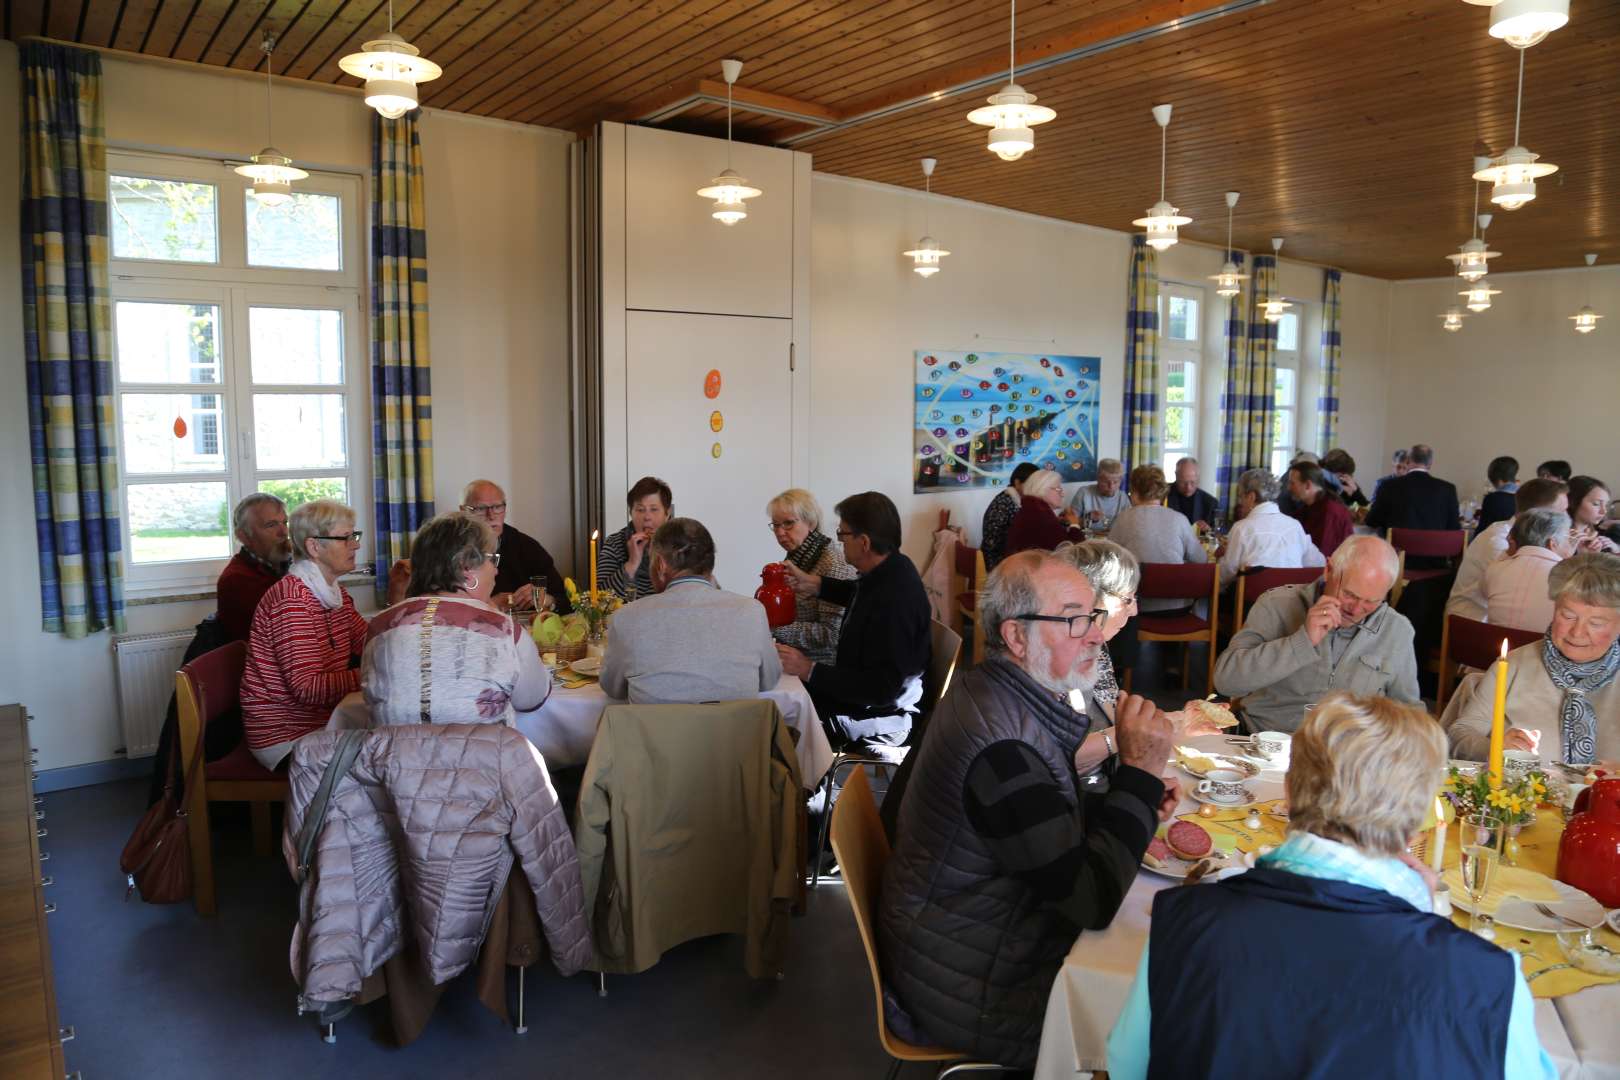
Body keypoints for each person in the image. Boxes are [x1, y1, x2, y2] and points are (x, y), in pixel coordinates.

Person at [1108, 692, 1556, 1080]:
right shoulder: (1486, 978)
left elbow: (1128, 1065)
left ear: (1286, 790)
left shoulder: (1186, 920)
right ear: (1420, 816)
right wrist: (1424, 919)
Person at [878, 550, 1177, 1069]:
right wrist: (1139, 778)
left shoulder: (993, 690)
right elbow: (1090, 900)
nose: (1095, 635)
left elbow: (1033, 816)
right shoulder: (1002, 749)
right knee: (1173, 998)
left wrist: (1127, 797)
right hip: (976, 981)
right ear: (1017, 637)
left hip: (955, 936)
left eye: (1094, 615)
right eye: (1074, 619)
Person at [1214, 535, 1420, 733]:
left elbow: (1410, 712)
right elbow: (1226, 681)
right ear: (1328, 570)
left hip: (1349, 757)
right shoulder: (1276, 605)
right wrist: (1302, 641)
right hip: (1268, 744)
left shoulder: (1397, 630)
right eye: (1349, 594)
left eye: (1371, 601)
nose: (1356, 610)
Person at [363, 512, 551, 726]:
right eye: (492, 559)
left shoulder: (379, 627)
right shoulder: (505, 631)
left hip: (393, 758)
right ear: (466, 568)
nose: (496, 571)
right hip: (484, 758)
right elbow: (532, 699)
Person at [777, 492, 930, 749]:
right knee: (786, 697)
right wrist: (815, 584)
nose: (839, 541)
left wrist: (808, 668)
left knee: (785, 722)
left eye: (843, 534)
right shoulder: (891, 569)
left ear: (864, 542)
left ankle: (804, 787)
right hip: (860, 696)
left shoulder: (895, 599)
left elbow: (881, 689)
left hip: (882, 716)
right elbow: (858, 593)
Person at [1445, 553, 1620, 765]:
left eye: (1596, 623)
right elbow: (1460, 733)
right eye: (1568, 616)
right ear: (1554, 610)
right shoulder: (1514, 665)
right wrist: (1494, 748)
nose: (1577, 632)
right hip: (1522, 795)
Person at [240, 500, 371, 770]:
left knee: (393, 747)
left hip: (320, 721)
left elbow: (370, 640)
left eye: (354, 536)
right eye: (345, 538)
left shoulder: (334, 593)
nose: (355, 545)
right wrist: (373, 676)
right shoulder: (293, 600)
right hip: (286, 736)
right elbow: (307, 688)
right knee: (384, 763)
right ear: (314, 547)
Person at [600, 518, 781, 705]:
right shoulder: (751, 612)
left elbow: (613, 688)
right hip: (734, 733)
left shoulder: (627, 617)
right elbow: (769, 681)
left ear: (661, 565)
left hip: (657, 734)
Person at [1447, 478, 1568, 621]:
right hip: (1471, 622)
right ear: (1537, 514)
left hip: (1500, 618)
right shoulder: (1499, 539)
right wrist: (1564, 558)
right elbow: (1523, 586)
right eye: (1561, 512)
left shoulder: (1533, 537)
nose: (1566, 517)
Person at [765, 488, 856, 664]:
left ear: (811, 522)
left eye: (788, 523)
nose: (780, 532)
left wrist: (775, 627)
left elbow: (831, 635)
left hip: (821, 671)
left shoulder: (832, 562)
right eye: (775, 525)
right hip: (793, 661)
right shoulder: (797, 556)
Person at [460, 479, 571, 614]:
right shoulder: (449, 550)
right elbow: (438, 608)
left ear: (505, 510)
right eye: (481, 508)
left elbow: (566, 602)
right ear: (463, 511)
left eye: (497, 507)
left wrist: (547, 601)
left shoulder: (527, 547)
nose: (491, 515)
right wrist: (490, 605)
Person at [1106, 465, 1207, 613]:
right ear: (1162, 492)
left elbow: (1109, 558)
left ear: (1134, 492)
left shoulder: (1124, 519)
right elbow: (1201, 559)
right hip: (1178, 607)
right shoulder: (1179, 519)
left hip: (1137, 607)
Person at [1216, 468, 1325, 588]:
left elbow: (1224, 576)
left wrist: (1221, 558)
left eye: (1241, 496)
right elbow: (1318, 562)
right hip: (1290, 602)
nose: (1240, 502)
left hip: (1252, 604)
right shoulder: (1295, 526)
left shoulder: (1242, 528)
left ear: (1251, 497)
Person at [216, 493, 291, 643]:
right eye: (271, 525)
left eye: (285, 523)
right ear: (244, 536)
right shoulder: (238, 579)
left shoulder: (281, 565)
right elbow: (287, 630)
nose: (284, 532)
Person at [1482, 509, 1573, 632]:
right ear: (1553, 543)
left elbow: (1484, 593)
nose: (1572, 545)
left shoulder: (1495, 569)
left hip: (1496, 647)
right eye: (1568, 538)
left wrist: (1508, 552)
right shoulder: (1571, 578)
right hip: (1541, 650)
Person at [1365, 443, 1462, 543]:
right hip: (1434, 555)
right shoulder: (1448, 489)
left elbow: (1372, 521)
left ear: (1408, 461)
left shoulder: (1388, 486)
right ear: (1430, 464)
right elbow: (1454, 528)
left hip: (1397, 553)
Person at [598, 476, 673, 602]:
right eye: (640, 510)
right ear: (630, 512)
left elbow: (693, 591)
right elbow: (600, 598)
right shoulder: (615, 543)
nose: (647, 517)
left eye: (654, 509)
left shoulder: (681, 543)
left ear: (667, 513)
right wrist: (632, 563)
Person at [1005, 468, 1084, 556]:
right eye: (1058, 489)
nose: (1062, 494)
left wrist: (1057, 522)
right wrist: (1074, 525)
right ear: (1042, 489)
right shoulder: (1041, 515)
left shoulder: (1032, 509)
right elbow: (1073, 552)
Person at [1287, 461, 1355, 558]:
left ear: (1307, 485)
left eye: (1292, 483)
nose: (1289, 488)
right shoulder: (1306, 509)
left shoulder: (1330, 512)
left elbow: (1323, 555)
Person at [981, 462, 1039, 571]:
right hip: (998, 563)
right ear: (1017, 483)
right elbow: (992, 545)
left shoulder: (1015, 500)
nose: (1035, 489)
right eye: (1031, 484)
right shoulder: (1004, 503)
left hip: (1011, 558)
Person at [1067, 457, 1129, 528]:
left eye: (1115, 482)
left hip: (1113, 538)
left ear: (1121, 481)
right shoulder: (1084, 493)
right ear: (1098, 479)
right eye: (1106, 482)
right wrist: (1088, 518)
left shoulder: (1123, 497)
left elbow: (1129, 524)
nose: (1111, 486)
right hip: (1088, 538)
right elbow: (1069, 522)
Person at [1165, 456, 1218, 531]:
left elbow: (1217, 535)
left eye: (1192, 482)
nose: (1188, 487)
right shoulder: (1162, 494)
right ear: (1176, 476)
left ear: (1198, 478)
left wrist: (1208, 530)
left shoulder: (1210, 502)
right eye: (1183, 482)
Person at [1568, 476, 1620, 554]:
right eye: (1596, 504)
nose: (1604, 511)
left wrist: (1616, 550)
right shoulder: (1561, 539)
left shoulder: (1599, 536)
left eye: (1606, 505)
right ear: (1573, 502)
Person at [1476, 456, 1521, 535]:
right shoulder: (1525, 495)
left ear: (1498, 480)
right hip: (1520, 542)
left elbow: (1483, 529)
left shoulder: (1492, 499)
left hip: (1497, 540)